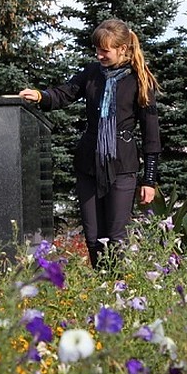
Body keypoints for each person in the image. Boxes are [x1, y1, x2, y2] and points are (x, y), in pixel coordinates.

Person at [19, 19, 161, 269]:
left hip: (122, 167)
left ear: (122, 49)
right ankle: (101, 283)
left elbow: (152, 137)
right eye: (97, 49)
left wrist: (149, 180)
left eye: (105, 50)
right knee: (93, 237)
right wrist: (41, 96)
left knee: (116, 238)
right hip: (88, 165)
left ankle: (116, 284)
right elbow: (65, 93)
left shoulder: (140, 82)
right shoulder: (92, 73)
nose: (99, 54)